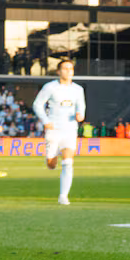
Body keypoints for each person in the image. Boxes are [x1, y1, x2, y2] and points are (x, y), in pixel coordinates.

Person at [33, 59, 87, 205]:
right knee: (51, 164)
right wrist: (45, 120)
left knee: (68, 162)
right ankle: (51, 158)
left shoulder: (78, 89)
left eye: (71, 69)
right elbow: (37, 105)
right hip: (53, 129)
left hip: (70, 129)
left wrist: (80, 115)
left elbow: (81, 106)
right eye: (65, 68)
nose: (69, 71)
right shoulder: (50, 87)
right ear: (59, 71)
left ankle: (63, 195)